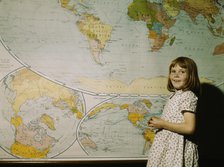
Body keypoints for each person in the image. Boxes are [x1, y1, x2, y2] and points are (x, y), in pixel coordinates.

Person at [146, 57, 201, 167]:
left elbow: (189, 128)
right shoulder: (174, 95)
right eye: (173, 71)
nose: (176, 75)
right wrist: (158, 124)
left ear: (190, 76)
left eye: (182, 72)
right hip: (168, 147)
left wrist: (163, 124)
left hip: (177, 149)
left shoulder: (188, 96)